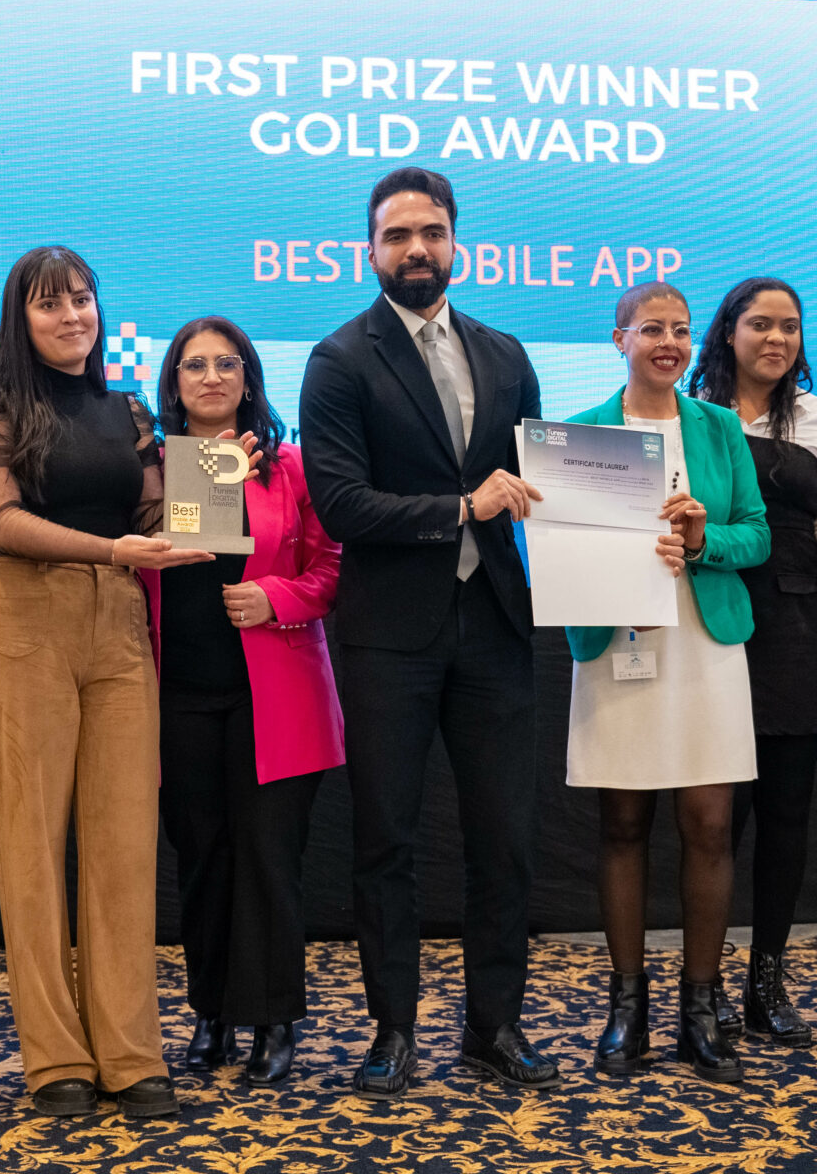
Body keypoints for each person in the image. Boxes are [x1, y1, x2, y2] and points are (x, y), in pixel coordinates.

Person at [301, 166, 554, 1098]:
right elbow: (341, 503)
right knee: (386, 841)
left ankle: (495, 1026)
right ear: (370, 250)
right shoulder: (339, 359)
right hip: (389, 636)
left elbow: (544, 479)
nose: (417, 248)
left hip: (495, 623)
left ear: (456, 243)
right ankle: (393, 1029)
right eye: (398, 235)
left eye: (432, 232)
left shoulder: (506, 354)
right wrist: (459, 507)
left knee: (505, 839)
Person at [0, 246, 196, 1121]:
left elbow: (158, 517)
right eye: (51, 304)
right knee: (29, 847)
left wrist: (219, 473)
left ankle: (130, 1052)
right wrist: (113, 550)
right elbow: (1, 521)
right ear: (20, 318)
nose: (72, 317)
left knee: (125, 845)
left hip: (116, 623)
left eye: (83, 300)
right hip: (17, 617)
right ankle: (55, 1055)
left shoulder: (127, 410)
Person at [563, 282, 769, 1084]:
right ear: (619, 338)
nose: (669, 343)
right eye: (652, 328)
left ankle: (700, 1007)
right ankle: (628, 1007)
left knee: (710, 826)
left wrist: (705, 537)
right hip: (620, 641)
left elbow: (757, 536)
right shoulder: (581, 432)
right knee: (622, 825)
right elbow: (561, 545)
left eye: (681, 330)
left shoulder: (719, 427)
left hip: (704, 642)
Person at [146, 316, 344, 1087]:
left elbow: (332, 568)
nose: (211, 376)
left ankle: (273, 1018)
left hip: (275, 696)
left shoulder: (290, 467)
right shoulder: (150, 470)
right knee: (202, 860)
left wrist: (277, 597)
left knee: (268, 860)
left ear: (249, 378)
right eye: (194, 364)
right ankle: (211, 1013)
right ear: (173, 382)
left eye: (226, 363)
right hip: (177, 696)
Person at [687, 276, 817, 1046]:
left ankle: (768, 981)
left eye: (791, 327)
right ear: (728, 331)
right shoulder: (690, 413)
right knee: (715, 819)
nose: (777, 338)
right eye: (761, 324)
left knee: (787, 815)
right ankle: (704, 984)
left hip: (799, 626)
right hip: (709, 618)